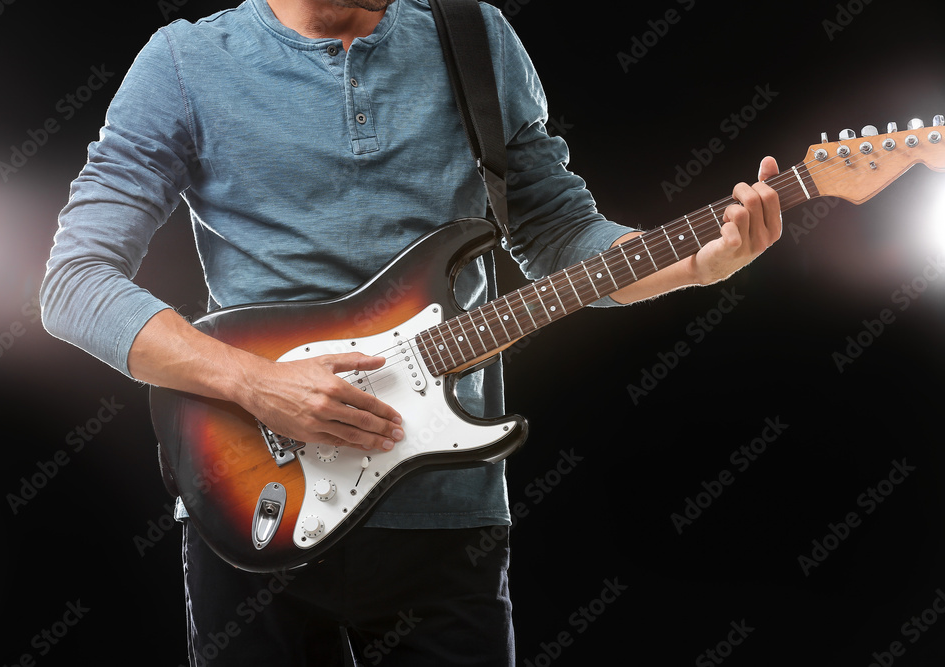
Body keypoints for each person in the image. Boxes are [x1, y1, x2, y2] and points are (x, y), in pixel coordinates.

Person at [41, 0, 782, 664]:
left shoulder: (474, 37)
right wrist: (255, 384)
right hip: (252, 508)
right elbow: (72, 282)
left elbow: (559, 231)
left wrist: (694, 265)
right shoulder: (184, 63)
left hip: (448, 519)